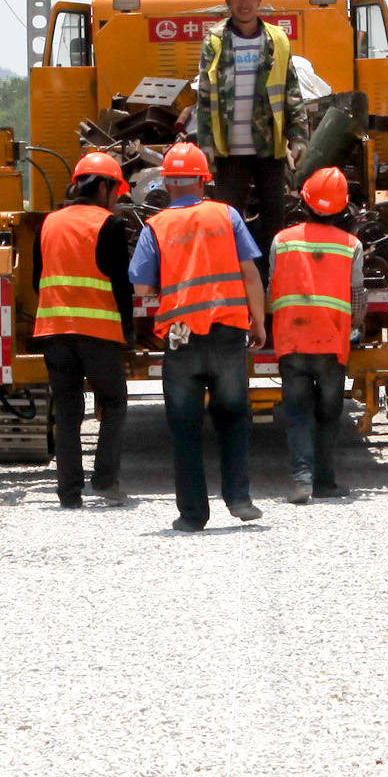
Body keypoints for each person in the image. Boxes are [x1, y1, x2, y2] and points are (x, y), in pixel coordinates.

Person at [130, 141, 268, 530]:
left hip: (182, 339)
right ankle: (239, 498)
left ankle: (192, 515)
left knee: (185, 428)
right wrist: (258, 321)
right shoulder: (227, 216)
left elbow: (140, 289)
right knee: (233, 418)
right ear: (205, 181)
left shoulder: (155, 226)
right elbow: (250, 272)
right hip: (227, 334)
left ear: (168, 184)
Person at [33, 150, 138, 510]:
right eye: (117, 191)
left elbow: (37, 279)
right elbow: (121, 285)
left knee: (67, 410)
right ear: (106, 186)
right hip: (98, 332)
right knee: (113, 403)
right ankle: (106, 482)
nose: (118, 199)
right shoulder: (108, 224)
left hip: (53, 330)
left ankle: (69, 492)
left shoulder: (49, 222)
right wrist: (128, 329)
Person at [268, 166, 365, 502]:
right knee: (328, 414)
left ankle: (301, 481)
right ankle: (326, 483)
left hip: (291, 342)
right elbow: (356, 299)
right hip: (332, 345)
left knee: (296, 413)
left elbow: (271, 289)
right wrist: (356, 327)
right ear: (344, 208)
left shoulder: (282, 240)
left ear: (304, 201)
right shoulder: (352, 245)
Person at [191, 0, 297, 254]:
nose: (244, 2)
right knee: (225, 222)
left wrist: (298, 138)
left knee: (274, 224)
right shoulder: (215, 41)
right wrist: (206, 145)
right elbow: (205, 98)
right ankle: (230, 284)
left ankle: (272, 284)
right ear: (227, 1)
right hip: (229, 152)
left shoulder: (277, 40)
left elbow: (291, 92)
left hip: (269, 150)